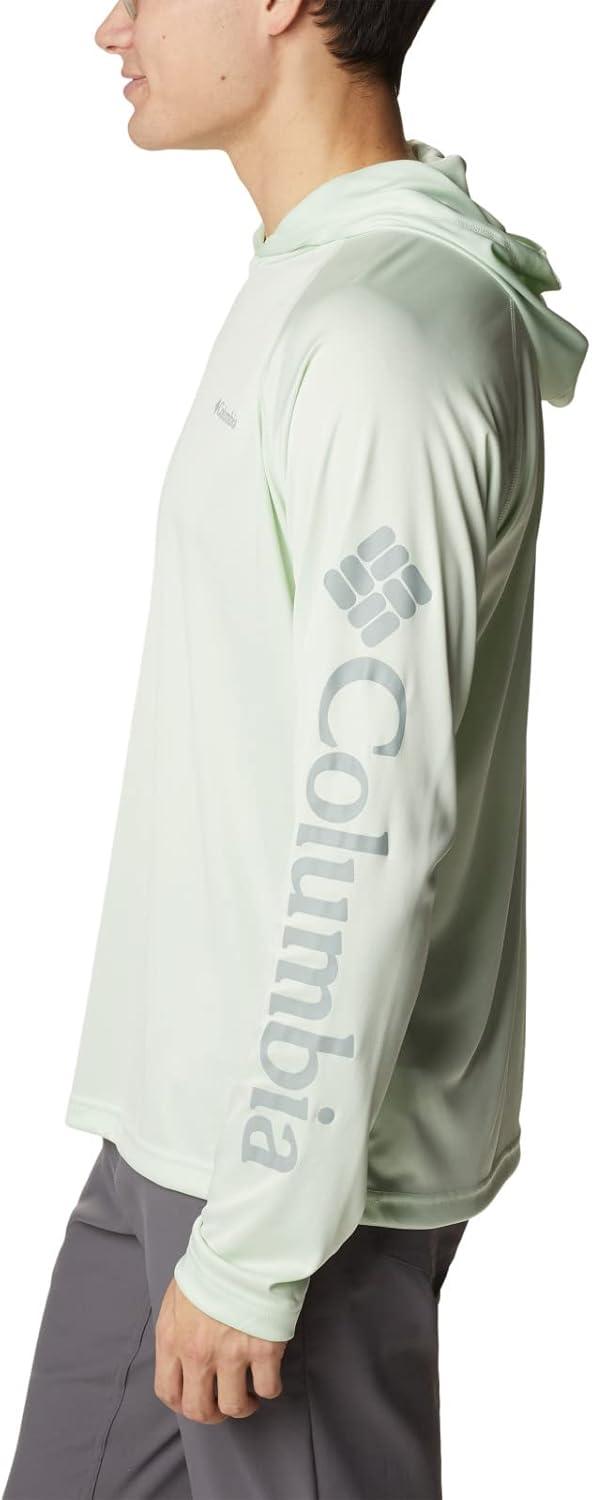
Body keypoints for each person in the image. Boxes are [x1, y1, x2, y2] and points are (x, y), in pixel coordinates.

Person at [4, 2, 588, 1498]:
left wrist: (260, 1249)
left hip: (294, 1192)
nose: (110, 26)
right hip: (183, 1136)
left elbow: (367, 823)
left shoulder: (383, 339)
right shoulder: (316, 287)